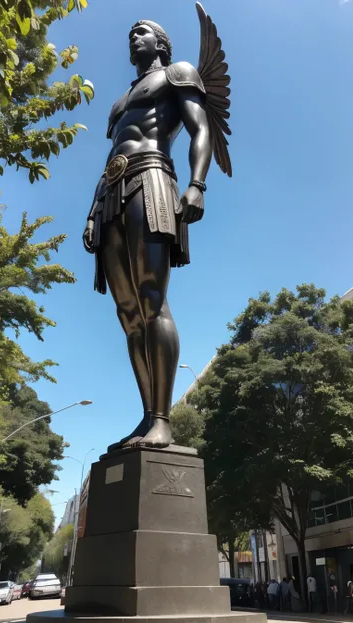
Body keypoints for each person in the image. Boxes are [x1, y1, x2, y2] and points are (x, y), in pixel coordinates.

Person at [83, 7, 232, 450]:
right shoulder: (117, 102)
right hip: (111, 191)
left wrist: (197, 184)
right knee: (127, 314)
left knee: (151, 299)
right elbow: (110, 156)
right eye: (130, 32)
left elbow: (199, 128)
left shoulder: (177, 74)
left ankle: (163, 420)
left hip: (152, 179)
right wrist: (93, 211)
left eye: (142, 31)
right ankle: (148, 416)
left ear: (162, 44)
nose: (134, 37)